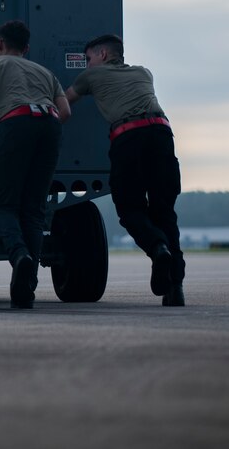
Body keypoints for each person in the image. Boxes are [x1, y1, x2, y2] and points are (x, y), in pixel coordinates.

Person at [65, 34, 185, 306]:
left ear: (103, 55)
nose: (87, 64)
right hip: (162, 133)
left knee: (129, 208)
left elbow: (64, 103)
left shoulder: (90, 78)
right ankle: (174, 289)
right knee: (165, 212)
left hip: (129, 137)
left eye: (89, 58)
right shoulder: (144, 73)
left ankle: (157, 248)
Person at [0, 20, 71, 309]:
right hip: (50, 124)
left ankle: (20, 256)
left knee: (5, 206)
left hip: (14, 122)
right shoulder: (45, 72)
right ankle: (26, 288)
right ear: (26, 48)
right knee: (34, 210)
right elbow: (65, 111)